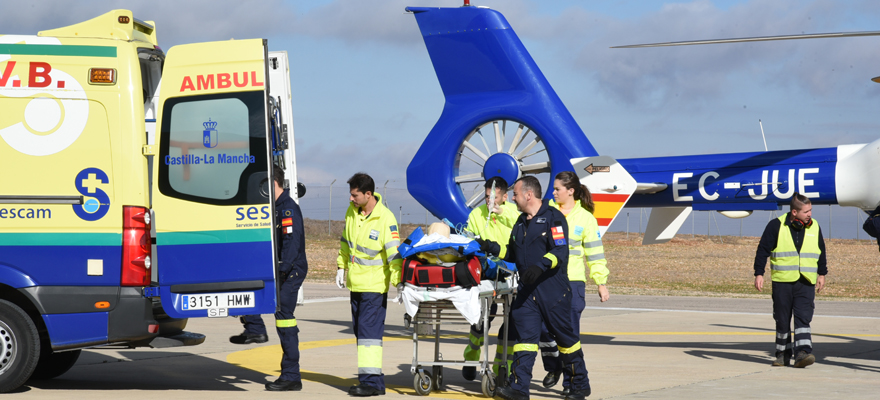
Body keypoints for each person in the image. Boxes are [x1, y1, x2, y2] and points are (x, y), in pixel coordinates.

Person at [477, 176, 591, 400]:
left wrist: (540, 266)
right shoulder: (520, 223)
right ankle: (519, 388)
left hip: (553, 292)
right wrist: (488, 246)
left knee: (566, 340)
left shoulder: (553, 219)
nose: (514, 198)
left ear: (529, 195)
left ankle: (580, 384)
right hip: (527, 293)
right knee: (525, 342)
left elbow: (560, 251)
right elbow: (511, 253)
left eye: (516, 194)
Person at [228, 165, 308, 391]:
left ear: (271, 183)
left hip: (289, 273)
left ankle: (291, 376)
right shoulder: (273, 208)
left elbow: (291, 245)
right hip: (279, 270)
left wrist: (281, 270)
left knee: (285, 319)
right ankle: (255, 328)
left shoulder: (287, 209)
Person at [540, 171, 609, 394]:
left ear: (571, 191)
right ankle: (554, 367)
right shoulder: (546, 213)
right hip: (547, 281)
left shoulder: (586, 219)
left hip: (573, 282)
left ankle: (571, 385)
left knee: (568, 336)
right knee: (543, 331)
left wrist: (601, 281)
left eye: (557, 189)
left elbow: (595, 254)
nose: (553, 192)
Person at [336, 172, 403, 396]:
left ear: (368, 194)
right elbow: (346, 242)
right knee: (361, 332)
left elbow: (394, 255)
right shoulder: (352, 213)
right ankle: (370, 379)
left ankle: (372, 384)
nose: (351, 199)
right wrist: (341, 266)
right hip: (355, 285)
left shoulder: (386, 219)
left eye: (355, 195)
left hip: (374, 287)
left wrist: (399, 282)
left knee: (369, 335)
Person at [753, 192, 827, 368]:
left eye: (810, 211)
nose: (809, 214)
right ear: (794, 212)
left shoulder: (815, 226)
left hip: (806, 281)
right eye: (805, 211)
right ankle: (782, 355)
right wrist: (759, 273)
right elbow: (762, 250)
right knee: (782, 319)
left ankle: (802, 353)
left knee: (803, 318)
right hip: (783, 282)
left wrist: (822, 274)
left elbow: (821, 251)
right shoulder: (776, 226)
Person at [461, 177, 518, 381]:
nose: (489, 201)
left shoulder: (513, 212)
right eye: (486, 197)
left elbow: (522, 229)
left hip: (511, 270)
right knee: (483, 318)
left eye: (493, 197)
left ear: (504, 197)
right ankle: (471, 358)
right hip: (486, 270)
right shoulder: (476, 214)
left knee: (512, 322)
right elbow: (468, 240)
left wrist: (502, 213)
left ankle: (503, 367)